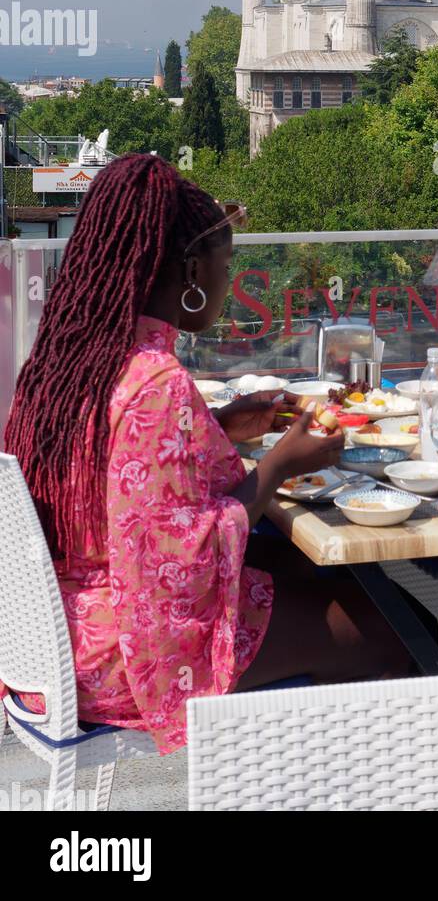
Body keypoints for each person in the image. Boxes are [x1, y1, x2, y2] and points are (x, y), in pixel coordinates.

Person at [1, 153, 410, 754]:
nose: (229, 279)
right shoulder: (154, 381)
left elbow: (107, 470)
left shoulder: (67, 361)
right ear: (191, 270)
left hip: (48, 635)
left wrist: (216, 426)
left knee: (320, 576)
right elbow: (174, 565)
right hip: (119, 657)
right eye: (228, 262)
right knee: (386, 634)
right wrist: (278, 467)